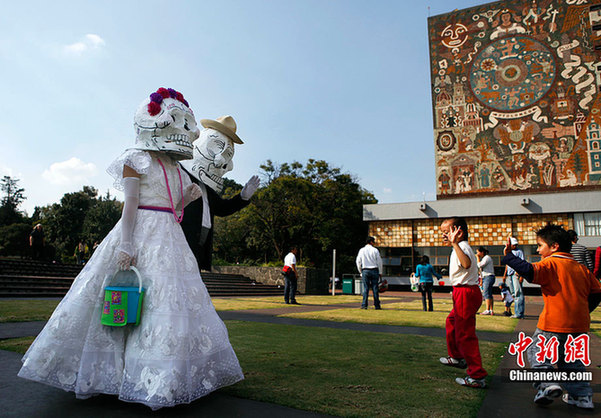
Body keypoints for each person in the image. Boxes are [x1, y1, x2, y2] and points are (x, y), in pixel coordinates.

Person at [18, 88, 244, 410]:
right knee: (123, 302)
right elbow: (131, 205)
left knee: (163, 305)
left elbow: (174, 208)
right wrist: (126, 243)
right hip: (140, 231)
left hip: (169, 235)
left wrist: (188, 197)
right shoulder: (135, 159)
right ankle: (110, 374)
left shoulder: (177, 169)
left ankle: (158, 377)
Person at [502, 224, 601, 409]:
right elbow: (597, 292)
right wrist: (585, 310)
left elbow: (529, 270)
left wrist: (508, 257)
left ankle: (547, 384)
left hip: (553, 323)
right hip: (579, 326)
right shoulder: (581, 269)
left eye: (540, 246)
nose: (538, 250)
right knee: (572, 361)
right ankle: (582, 396)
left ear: (554, 246)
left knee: (537, 353)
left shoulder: (551, 263)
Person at [179, 115, 260, 271]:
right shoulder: (179, 174)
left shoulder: (208, 187)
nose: (226, 165)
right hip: (181, 238)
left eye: (229, 155)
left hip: (201, 241)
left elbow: (222, 208)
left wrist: (243, 197)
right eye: (216, 145)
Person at [438, 217, 487, 388]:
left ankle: (477, 375)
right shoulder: (460, 247)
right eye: (442, 232)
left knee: (465, 334)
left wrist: (454, 244)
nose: (443, 235)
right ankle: (457, 357)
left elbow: (465, 264)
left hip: (466, 293)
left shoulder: (461, 247)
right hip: (463, 292)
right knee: (451, 322)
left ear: (458, 231)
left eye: (446, 231)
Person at [356, 236, 383, 310]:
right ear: (371, 242)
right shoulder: (375, 250)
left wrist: (360, 271)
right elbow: (379, 262)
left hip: (365, 270)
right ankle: (377, 305)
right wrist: (380, 272)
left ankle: (364, 305)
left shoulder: (362, 250)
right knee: (375, 288)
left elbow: (358, 261)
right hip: (374, 269)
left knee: (366, 288)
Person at [503, 237, 525, 319]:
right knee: (513, 293)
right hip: (510, 274)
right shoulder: (509, 252)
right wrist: (505, 275)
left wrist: (520, 275)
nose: (515, 246)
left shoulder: (519, 252)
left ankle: (519, 313)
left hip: (516, 274)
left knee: (518, 293)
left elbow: (522, 263)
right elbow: (507, 264)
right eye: (513, 245)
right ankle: (517, 312)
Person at [477, 247, 495, 315]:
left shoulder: (487, 258)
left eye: (478, 252)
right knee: (489, 294)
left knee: (486, 293)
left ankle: (487, 310)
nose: (477, 254)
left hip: (488, 276)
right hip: (485, 277)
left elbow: (479, 265)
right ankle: (491, 310)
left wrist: (477, 258)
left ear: (482, 252)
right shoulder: (485, 258)